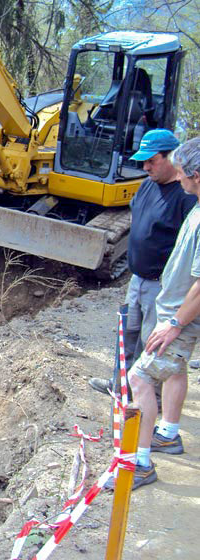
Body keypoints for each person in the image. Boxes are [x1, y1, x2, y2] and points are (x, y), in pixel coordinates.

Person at [114, 137, 200, 489]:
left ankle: (141, 464)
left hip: (177, 318)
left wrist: (175, 324)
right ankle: (168, 433)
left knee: (139, 379)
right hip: (173, 312)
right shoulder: (196, 207)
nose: (178, 179)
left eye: (182, 173)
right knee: (171, 370)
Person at [89, 130, 195, 405]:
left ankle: (148, 400)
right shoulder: (148, 183)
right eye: (143, 161)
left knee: (153, 342)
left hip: (161, 284)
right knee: (127, 334)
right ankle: (118, 385)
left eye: (152, 160)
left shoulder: (186, 197)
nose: (146, 166)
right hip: (136, 279)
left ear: (170, 156)